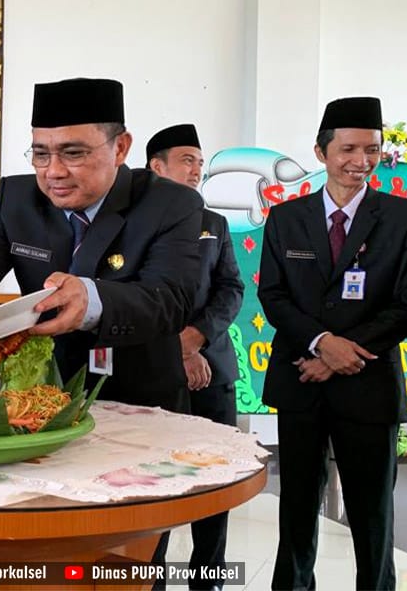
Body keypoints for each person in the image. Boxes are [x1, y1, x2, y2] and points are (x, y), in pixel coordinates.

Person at [0, 78, 204, 413]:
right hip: (41, 398)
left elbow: (171, 300)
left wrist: (91, 299)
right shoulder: (15, 200)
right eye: (41, 154)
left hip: (141, 402)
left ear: (120, 148)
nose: (54, 172)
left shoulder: (170, 203)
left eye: (73, 153)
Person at [258, 96, 407, 590]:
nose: (361, 160)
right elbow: (273, 295)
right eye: (349, 149)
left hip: (367, 384)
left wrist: (336, 355)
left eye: (371, 149)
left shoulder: (405, 219)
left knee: (373, 515)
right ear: (321, 152)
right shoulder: (286, 218)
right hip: (301, 381)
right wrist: (319, 343)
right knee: (296, 509)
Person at [146, 123, 243, 591]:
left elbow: (231, 289)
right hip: (153, 374)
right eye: (187, 160)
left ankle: (209, 581)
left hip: (212, 370)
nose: (196, 170)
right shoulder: (131, 226)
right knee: (154, 486)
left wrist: (196, 339)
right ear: (156, 167)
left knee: (214, 483)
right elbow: (132, 299)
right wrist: (175, 350)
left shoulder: (214, 224)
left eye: (200, 163)